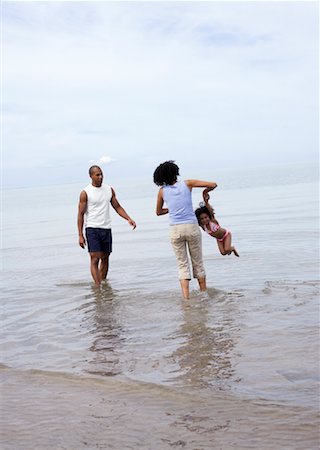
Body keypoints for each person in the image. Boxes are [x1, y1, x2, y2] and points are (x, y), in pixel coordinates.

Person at [153, 160, 217, 300]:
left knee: (182, 265)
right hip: (192, 227)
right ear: (175, 172)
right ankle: (203, 295)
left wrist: (172, 208)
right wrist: (205, 192)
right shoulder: (188, 183)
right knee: (198, 263)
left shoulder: (162, 191)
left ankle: (186, 299)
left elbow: (158, 212)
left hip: (175, 229)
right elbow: (213, 184)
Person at [78, 165, 136, 285]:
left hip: (106, 228)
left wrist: (128, 218)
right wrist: (80, 235)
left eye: (101, 174)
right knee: (95, 257)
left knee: (105, 257)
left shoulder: (109, 189)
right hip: (92, 228)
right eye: (97, 175)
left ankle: (103, 284)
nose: (100, 177)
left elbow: (117, 207)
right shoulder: (85, 193)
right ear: (91, 176)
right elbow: (81, 214)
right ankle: (98, 287)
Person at [195, 187, 239, 257]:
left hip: (226, 235)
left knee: (227, 249)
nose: (204, 220)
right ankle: (229, 249)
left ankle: (232, 248)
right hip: (219, 239)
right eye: (202, 219)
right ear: (200, 220)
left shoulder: (213, 220)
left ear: (209, 216)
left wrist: (206, 201)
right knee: (223, 253)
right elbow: (193, 220)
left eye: (206, 217)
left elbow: (209, 210)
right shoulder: (203, 226)